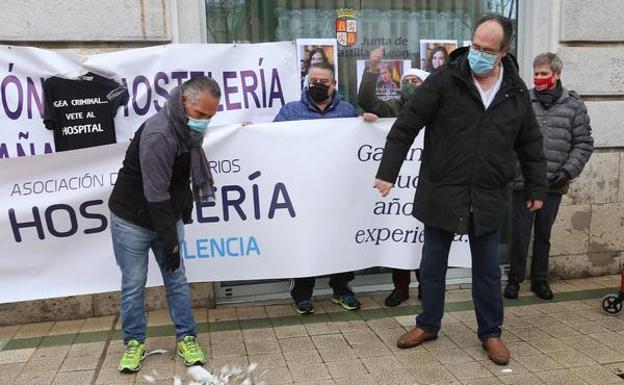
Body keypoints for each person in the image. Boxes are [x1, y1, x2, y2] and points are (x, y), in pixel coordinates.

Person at [373, 14, 547, 366]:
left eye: (487, 50)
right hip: (443, 189)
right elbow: (407, 125)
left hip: (488, 193)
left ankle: (491, 333)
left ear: (504, 52)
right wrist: (387, 172)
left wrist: (536, 187)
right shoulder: (445, 80)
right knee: (433, 264)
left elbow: (531, 144)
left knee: (485, 269)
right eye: (475, 46)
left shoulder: (515, 92)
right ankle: (428, 324)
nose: (477, 54)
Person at [108, 76, 220, 372]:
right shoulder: (160, 134)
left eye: (211, 116)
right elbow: (155, 193)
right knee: (133, 284)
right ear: (184, 102)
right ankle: (134, 342)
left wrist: (174, 228)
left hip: (166, 214)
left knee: (177, 280)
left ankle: (187, 337)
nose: (205, 122)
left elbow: (180, 182)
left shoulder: (187, 129)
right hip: (132, 218)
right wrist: (169, 240)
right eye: (201, 115)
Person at [274, 62, 362, 314]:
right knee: (304, 241)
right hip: (302, 192)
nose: (318, 86)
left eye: (323, 82)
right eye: (313, 81)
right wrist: (248, 133)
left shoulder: (347, 111)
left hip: (338, 191)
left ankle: (342, 289)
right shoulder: (290, 111)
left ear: (334, 85)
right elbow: (268, 140)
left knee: (340, 240)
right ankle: (302, 294)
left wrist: (368, 122)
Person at [504, 52, 594, 300]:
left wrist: (568, 172)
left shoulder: (574, 105)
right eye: (536, 74)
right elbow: (509, 138)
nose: (539, 78)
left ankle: (540, 280)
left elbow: (584, 144)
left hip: (553, 183)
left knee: (543, 234)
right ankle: (514, 280)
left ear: (557, 75)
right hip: (523, 181)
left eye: (544, 74)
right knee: (519, 235)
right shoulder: (523, 101)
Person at [358, 46, 429, 306]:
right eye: (407, 81)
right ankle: (400, 288)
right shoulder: (393, 108)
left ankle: (426, 285)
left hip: (426, 185)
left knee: (423, 237)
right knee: (400, 233)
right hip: (397, 190)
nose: (410, 85)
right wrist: (373, 67)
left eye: (416, 82)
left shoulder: (437, 111)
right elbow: (368, 102)